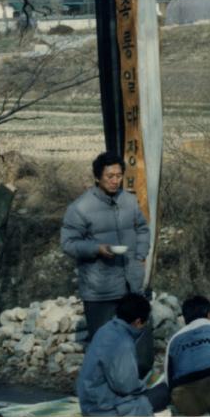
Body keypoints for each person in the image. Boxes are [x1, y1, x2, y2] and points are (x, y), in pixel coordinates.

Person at [61, 152, 154, 372]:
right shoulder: (80, 207)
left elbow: (142, 229)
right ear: (97, 177)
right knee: (105, 347)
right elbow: (68, 243)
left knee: (141, 348)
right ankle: (106, 393)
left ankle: (140, 389)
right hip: (99, 288)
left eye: (119, 175)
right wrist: (96, 249)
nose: (115, 180)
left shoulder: (129, 201)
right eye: (110, 176)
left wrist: (140, 255)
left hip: (131, 284)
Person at [76, 293, 170, 417]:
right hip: (105, 409)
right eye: (144, 323)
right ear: (137, 322)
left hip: (89, 402)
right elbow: (125, 386)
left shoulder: (105, 330)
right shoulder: (123, 342)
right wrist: (144, 386)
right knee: (163, 392)